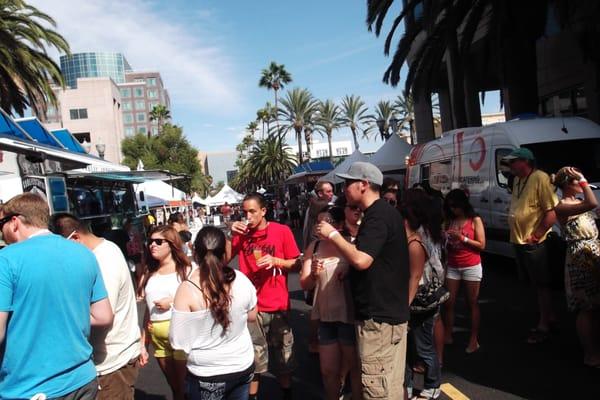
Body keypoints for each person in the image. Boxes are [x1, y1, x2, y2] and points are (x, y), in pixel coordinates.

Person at [0, 193, 113, 399]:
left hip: (30, 387)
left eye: (1, 224)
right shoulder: (84, 253)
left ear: (15, 222)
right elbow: (103, 316)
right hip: (82, 379)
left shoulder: (5, 260)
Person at [316, 162, 410, 400]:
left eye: (348, 183)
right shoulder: (380, 214)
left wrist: (333, 234)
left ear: (364, 185)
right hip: (386, 317)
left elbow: (362, 260)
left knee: (378, 390)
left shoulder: (378, 216)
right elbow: (372, 258)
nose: (344, 188)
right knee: (388, 384)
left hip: (379, 320)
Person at [50, 213, 148, 399]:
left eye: (62, 248)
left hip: (112, 363)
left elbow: (101, 315)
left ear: (76, 238)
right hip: (112, 358)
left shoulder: (102, 260)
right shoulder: (104, 251)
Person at [170, 226, 258, 400]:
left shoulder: (186, 290)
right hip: (241, 365)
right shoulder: (240, 279)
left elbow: (178, 341)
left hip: (207, 372)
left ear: (194, 251)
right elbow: (253, 316)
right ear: (225, 251)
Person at [230, 193, 301, 400]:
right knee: (254, 361)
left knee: (284, 359)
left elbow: (297, 264)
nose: (248, 216)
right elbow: (222, 259)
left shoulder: (281, 231)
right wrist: (230, 234)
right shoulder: (241, 235)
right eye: (244, 212)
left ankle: (287, 394)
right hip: (251, 309)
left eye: (252, 211)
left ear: (263, 211)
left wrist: (277, 261)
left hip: (278, 306)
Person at [300, 206, 361, 400]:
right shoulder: (314, 247)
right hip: (325, 317)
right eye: (319, 222)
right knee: (327, 371)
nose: (322, 226)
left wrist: (350, 272)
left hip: (349, 317)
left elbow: (363, 269)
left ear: (340, 224)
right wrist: (314, 274)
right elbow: (306, 283)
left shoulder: (352, 244)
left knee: (355, 370)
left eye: (327, 221)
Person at [503, 148, 559, 344]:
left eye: (512, 162)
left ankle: (544, 323)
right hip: (518, 240)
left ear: (525, 162)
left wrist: (536, 235)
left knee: (542, 284)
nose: (509, 166)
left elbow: (551, 212)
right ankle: (548, 316)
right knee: (533, 283)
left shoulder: (540, 178)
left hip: (534, 242)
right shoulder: (518, 180)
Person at [552, 167, 600, 367]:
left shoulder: (580, 203)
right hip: (579, 259)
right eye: (578, 182)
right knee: (586, 306)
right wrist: (583, 178)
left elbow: (592, 211)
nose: (583, 186)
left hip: (593, 253)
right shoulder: (562, 206)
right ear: (567, 185)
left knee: (596, 305)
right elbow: (593, 201)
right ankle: (590, 354)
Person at [138, 225, 192, 400]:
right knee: (174, 387)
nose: (153, 245)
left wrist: (173, 302)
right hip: (158, 339)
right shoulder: (149, 273)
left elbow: (200, 300)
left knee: (185, 388)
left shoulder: (186, 270)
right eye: (150, 241)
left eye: (159, 241)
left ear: (171, 244)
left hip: (181, 334)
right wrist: (143, 344)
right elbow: (148, 310)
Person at [400, 189, 444, 400]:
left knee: (423, 345)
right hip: (422, 295)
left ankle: (433, 385)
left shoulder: (417, 239)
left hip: (420, 297)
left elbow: (416, 276)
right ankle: (408, 385)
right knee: (412, 346)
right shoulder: (429, 228)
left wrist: (404, 305)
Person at [442, 189, 486, 354]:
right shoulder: (449, 221)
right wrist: (446, 238)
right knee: (449, 302)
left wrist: (463, 239)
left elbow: (482, 245)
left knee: (472, 302)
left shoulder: (475, 220)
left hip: (471, 265)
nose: (453, 209)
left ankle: (473, 339)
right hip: (453, 265)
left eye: (455, 206)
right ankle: (447, 334)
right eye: (450, 206)